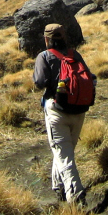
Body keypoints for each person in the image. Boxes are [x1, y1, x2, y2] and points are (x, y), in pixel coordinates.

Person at [32, 23, 92, 203]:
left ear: (46, 39)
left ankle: (76, 195)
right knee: (64, 152)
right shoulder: (75, 54)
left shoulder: (44, 56)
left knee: (63, 154)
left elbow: (40, 82)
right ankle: (58, 187)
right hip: (79, 109)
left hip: (56, 110)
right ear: (64, 37)